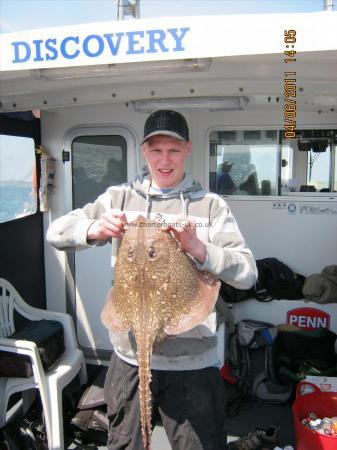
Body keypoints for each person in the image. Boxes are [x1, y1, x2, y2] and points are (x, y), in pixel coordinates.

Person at [46, 109, 258, 450]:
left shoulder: (210, 206)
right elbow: (55, 233)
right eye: (156, 150)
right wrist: (93, 228)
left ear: (187, 149)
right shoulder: (119, 198)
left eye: (173, 150)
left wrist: (200, 249)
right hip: (129, 355)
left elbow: (248, 274)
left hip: (193, 359)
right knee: (125, 443)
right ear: (145, 151)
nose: (164, 160)